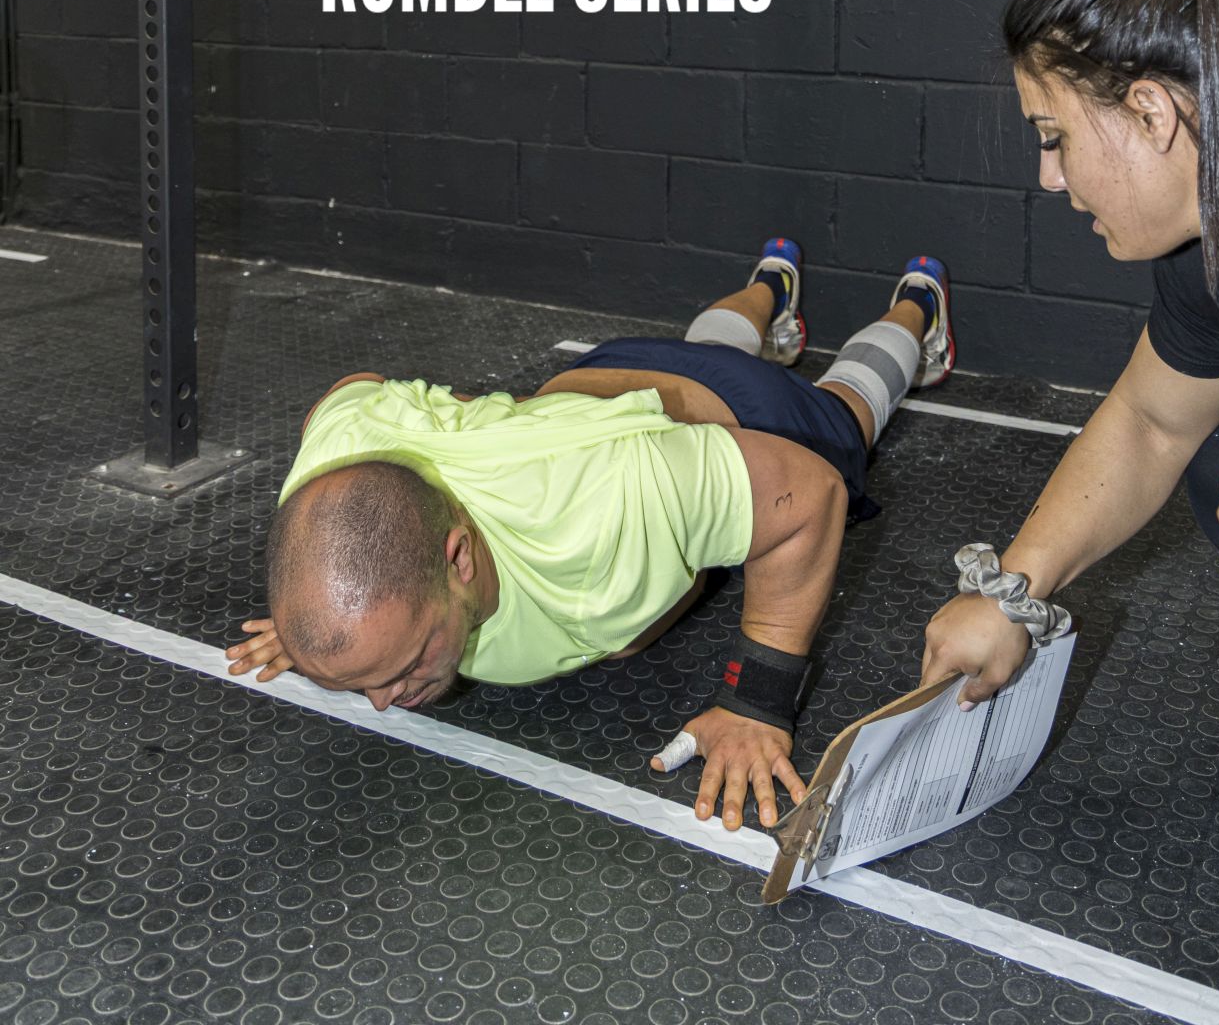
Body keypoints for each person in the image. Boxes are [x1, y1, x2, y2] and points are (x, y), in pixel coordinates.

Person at [227, 239, 957, 832]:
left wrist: (756, 704)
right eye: (367, 682)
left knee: (846, 412)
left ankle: (916, 304)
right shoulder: (334, 463)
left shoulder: (606, 505)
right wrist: (334, 637)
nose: (384, 701)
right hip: (595, 381)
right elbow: (347, 394)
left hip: (743, 415)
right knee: (700, 347)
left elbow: (811, 498)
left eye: (402, 664)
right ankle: (770, 286)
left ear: (458, 557)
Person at [920, 0, 1219, 719]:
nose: (1048, 177)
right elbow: (1152, 423)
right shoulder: (1214, 232)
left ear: (1149, 113)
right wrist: (1011, 592)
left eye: (1054, 137)